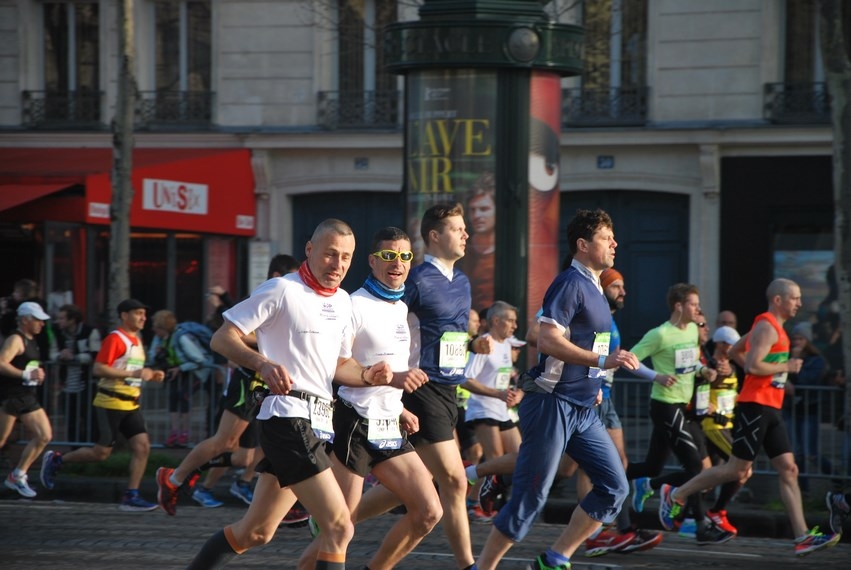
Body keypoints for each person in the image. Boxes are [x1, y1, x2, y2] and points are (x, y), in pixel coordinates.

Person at [184, 219, 393, 569]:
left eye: (345, 257)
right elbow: (222, 337)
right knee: (340, 526)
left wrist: (369, 375)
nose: (338, 265)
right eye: (329, 254)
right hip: (288, 417)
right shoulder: (282, 289)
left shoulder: (343, 301)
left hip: (320, 423)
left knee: (256, 532)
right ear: (309, 251)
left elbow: (340, 366)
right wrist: (262, 364)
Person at [473, 208, 640, 570]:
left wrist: (594, 380)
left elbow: (590, 343)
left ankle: (555, 557)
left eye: (613, 237)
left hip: (584, 408)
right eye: (605, 238)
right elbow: (546, 340)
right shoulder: (570, 283)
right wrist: (600, 363)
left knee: (615, 487)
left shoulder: (596, 286)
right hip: (552, 403)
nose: (615, 243)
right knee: (531, 496)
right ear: (582, 245)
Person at [658, 278, 842, 557]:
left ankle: (803, 536)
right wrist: (787, 366)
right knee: (737, 470)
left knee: (788, 469)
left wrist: (770, 373)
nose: (800, 303)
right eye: (795, 298)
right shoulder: (768, 326)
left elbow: (735, 352)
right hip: (755, 407)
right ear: (778, 299)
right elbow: (754, 365)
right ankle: (676, 494)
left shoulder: (768, 325)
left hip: (771, 408)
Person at [354, 202, 489, 570]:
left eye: (465, 229)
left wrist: (473, 343)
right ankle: (467, 564)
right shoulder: (413, 279)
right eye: (457, 229)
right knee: (455, 481)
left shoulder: (461, 280)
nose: (466, 234)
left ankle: (339, 516)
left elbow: (453, 333)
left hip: (451, 391)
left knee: (422, 480)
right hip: (420, 388)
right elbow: (387, 320)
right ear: (434, 236)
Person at [298, 226, 440, 569]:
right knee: (340, 527)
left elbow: (387, 367)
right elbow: (336, 365)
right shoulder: (354, 304)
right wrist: (396, 380)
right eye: (389, 256)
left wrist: (400, 405)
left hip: (389, 423)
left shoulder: (399, 307)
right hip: (355, 422)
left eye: (405, 256)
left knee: (428, 512)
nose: (398, 263)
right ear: (374, 261)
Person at [156, 255, 304, 518]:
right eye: (292, 277)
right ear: (276, 277)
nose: (297, 283)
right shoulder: (266, 295)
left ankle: (278, 504)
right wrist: (267, 342)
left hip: (270, 385)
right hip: (249, 381)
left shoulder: (290, 300)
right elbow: (233, 332)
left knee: (249, 456)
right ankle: (174, 478)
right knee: (225, 442)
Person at [626, 283, 733, 545]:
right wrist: (656, 376)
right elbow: (629, 359)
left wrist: (702, 371)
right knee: (695, 466)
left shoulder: (693, 331)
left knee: (652, 466)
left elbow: (690, 361)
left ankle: (626, 479)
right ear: (679, 306)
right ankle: (699, 526)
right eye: (694, 304)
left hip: (684, 406)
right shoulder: (660, 334)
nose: (698, 309)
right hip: (665, 405)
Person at [40, 299, 165, 511]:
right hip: (110, 403)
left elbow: (131, 370)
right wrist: (133, 373)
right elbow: (99, 369)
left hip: (131, 404)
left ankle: (131, 496)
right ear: (124, 316)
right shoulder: (115, 339)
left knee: (142, 447)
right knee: (101, 453)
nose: (144, 318)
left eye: (144, 314)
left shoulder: (137, 339)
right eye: (138, 313)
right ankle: (57, 460)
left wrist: (152, 375)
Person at [462, 301, 524, 522]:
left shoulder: (507, 344)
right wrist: (496, 394)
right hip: (482, 408)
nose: (515, 326)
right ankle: (474, 503)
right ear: (496, 321)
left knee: (522, 457)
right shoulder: (485, 344)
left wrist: (516, 394)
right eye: (511, 321)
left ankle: (469, 477)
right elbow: (465, 380)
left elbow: (505, 379)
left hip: (502, 409)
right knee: (495, 457)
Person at [0, 302, 53, 497]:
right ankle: (17, 476)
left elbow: (27, 366)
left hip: (25, 397)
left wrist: (36, 374)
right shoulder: (16, 339)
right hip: (12, 396)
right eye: (38, 319)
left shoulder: (31, 339)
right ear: (25, 320)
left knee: (44, 436)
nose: (42, 324)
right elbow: (1, 363)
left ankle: (18, 475)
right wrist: (25, 375)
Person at [699, 325, 748, 535]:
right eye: (730, 344)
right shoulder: (711, 365)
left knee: (706, 479)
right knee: (741, 468)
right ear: (720, 344)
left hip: (726, 425)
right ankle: (717, 511)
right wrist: (706, 407)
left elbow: (731, 394)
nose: (734, 348)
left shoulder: (733, 367)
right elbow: (701, 388)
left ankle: (683, 515)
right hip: (714, 426)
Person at [148, 310, 214, 448]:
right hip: (175, 371)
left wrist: (181, 368)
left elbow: (200, 359)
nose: (153, 329)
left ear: (163, 327)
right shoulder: (159, 338)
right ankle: (174, 432)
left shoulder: (181, 337)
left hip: (194, 371)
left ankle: (184, 433)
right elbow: (152, 356)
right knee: (173, 398)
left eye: (156, 327)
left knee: (184, 396)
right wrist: (157, 354)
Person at [783, 322, 831, 494]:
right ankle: (804, 490)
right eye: (794, 338)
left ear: (808, 341)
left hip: (809, 409)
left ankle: (838, 480)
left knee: (811, 453)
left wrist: (796, 365)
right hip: (791, 409)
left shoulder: (816, 360)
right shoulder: (786, 357)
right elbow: (779, 376)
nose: (797, 342)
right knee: (796, 453)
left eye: (801, 338)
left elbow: (808, 381)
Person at [53, 304, 101, 446]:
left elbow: (95, 355)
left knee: (89, 419)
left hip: (87, 384)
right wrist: (61, 356)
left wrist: (74, 357)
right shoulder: (58, 333)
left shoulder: (90, 332)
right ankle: (74, 449)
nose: (58, 321)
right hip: (67, 386)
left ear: (72, 320)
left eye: (62, 318)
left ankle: (90, 449)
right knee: (70, 420)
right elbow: (52, 352)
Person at [463, 171, 496, 312]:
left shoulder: (509, 253)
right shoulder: (461, 252)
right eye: (472, 210)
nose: (477, 216)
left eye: (484, 209)